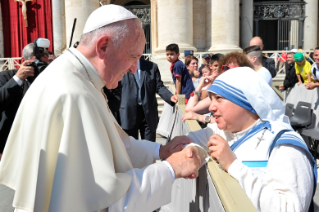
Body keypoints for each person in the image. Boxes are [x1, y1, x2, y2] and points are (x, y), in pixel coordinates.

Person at [0, 5, 201, 212]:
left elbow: (116, 146)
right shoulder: (72, 93)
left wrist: (162, 150)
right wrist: (171, 169)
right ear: (103, 46)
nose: (134, 69)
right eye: (133, 56)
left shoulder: (79, 79)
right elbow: (105, 201)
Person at [174, 67, 317, 211]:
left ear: (245, 100)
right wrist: (192, 150)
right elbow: (189, 141)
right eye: (211, 99)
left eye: (219, 99)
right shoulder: (225, 130)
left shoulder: (285, 146)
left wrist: (233, 165)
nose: (211, 107)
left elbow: (290, 208)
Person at [0, 42, 47, 159]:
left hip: (41, 143)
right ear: (23, 60)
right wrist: (18, 78)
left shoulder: (49, 79)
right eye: (34, 61)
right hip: (12, 144)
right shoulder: (6, 77)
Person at [119, 58, 178, 142]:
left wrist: (170, 97)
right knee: (130, 148)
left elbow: (159, 86)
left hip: (148, 113)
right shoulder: (121, 66)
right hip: (128, 113)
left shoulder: (151, 67)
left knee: (149, 146)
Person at [185, 52, 254, 115]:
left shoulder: (250, 92)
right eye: (226, 68)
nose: (229, 72)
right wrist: (200, 86)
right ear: (210, 66)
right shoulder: (222, 90)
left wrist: (204, 119)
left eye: (234, 69)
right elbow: (190, 108)